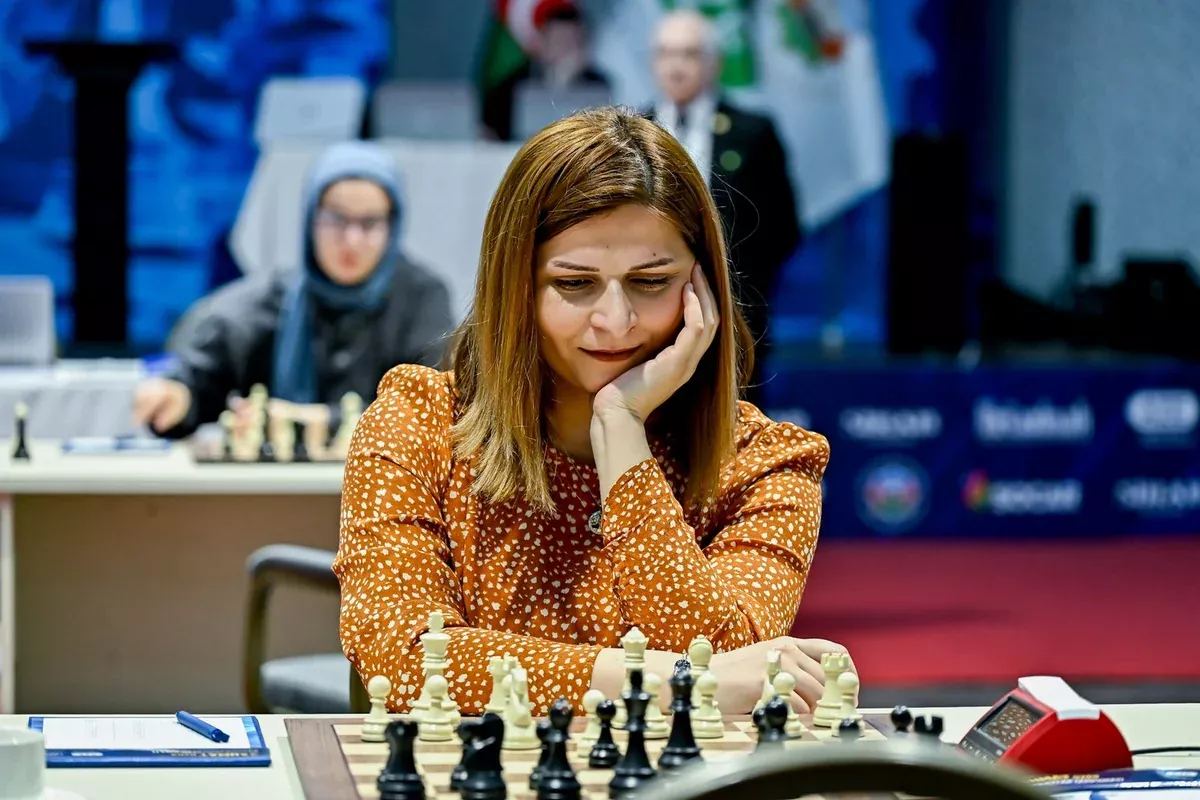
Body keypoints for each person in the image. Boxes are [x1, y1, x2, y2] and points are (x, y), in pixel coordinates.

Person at [334, 107, 848, 718]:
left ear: (702, 287)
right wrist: (672, 681)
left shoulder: (765, 464)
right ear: (515, 287)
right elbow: (405, 660)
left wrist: (620, 426)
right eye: (575, 284)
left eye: (651, 282)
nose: (615, 321)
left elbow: (723, 660)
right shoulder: (417, 422)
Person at [133, 141, 453, 439]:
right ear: (311, 218)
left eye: (369, 223)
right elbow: (200, 372)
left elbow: (432, 408)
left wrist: (314, 422)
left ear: (393, 226)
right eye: (336, 219)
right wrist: (178, 394)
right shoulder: (272, 299)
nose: (351, 240)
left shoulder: (422, 299)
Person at [645, 9, 803, 409]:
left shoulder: (753, 132)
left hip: (735, 313)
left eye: (689, 54)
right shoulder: (632, 129)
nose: (676, 66)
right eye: (666, 53)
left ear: (714, 63)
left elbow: (783, 228)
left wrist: (741, 284)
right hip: (646, 312)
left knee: (735, 422)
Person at [480, 2, 611, 141]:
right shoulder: (511, 87)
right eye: (558, 40)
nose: (565, 50)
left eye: (572, 41)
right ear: (541, 43)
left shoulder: (597, 84)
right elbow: (489, 134)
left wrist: (565, 82)